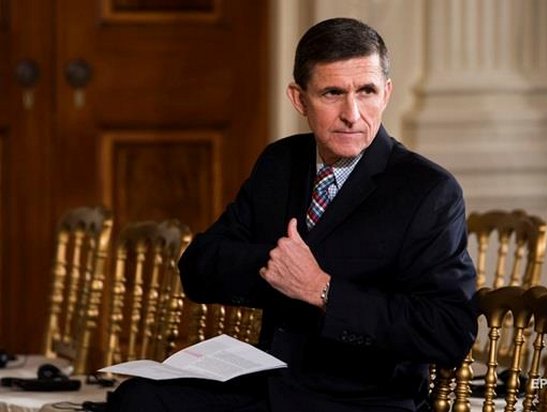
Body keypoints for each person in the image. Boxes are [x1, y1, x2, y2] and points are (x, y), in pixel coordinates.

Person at [107, 17, 477, 411]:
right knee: (138, 399)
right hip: (269, 386)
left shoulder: (428, 190)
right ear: (299, 99)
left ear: (386, 93)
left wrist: (322, 290)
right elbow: (198, 267)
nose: (352, 114)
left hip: (360, 401)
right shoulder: (280, 162)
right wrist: (276, 267)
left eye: (366, 91)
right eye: (333, 93)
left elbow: (449, 331)